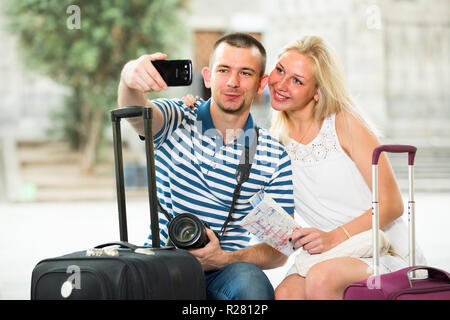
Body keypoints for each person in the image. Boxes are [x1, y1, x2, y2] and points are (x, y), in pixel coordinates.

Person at [183, 35, 426, 300]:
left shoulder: (343, 123)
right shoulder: (272, 144)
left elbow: (393, 204)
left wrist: (334, 237)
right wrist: (198, 111)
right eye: (280, 71)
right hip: (327, 250)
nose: (281, 84)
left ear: (317, 92)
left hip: (379, 246)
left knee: (323, 278)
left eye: (297, 81)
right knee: (285, 294)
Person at [117, 32, 295, 300]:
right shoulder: (176, 117)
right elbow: (135, 113)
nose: (233, 82)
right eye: (224, 70)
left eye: (246, 73)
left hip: (225, 273)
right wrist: (129, 77)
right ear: (208, 76)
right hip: (161, 264)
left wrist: (222, 258)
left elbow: (280, 249)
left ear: (262, 84)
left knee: (252, 287)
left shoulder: (273, 154)